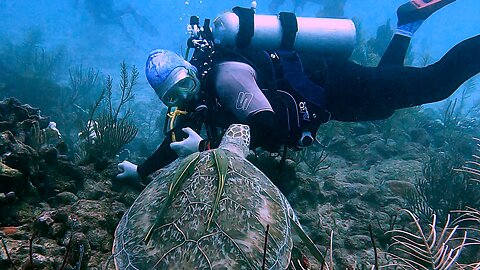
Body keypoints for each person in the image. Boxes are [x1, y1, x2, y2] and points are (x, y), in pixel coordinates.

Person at [117, 0, 479, 184]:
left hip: (334, 86)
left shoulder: (227, 78)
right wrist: (142, 171)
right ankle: (408, 23)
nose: (182, 97)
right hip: (328, 97)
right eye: (172, 96)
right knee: (386, 101)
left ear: (193, 70)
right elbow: (177, 137)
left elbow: (269, 128)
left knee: (436, 84)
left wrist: (203, 148)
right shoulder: (199, 100)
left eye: (184, 84)